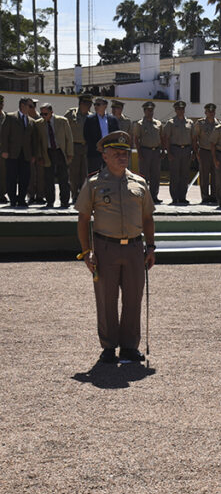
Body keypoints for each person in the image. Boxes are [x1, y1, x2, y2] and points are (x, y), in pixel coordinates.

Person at [75, 131, 156, 364]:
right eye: (117, 153)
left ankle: (129, 347)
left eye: (125, 153)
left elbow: (148, 217)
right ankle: (109, 346)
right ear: (105, 156)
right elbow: (83, 219)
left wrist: (151, 247)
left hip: (134, 248)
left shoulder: (139, 183)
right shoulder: (94, 183)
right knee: (106, 299)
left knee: (133, 299)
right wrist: (86, 252)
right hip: (105, 249)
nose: (122, 157)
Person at [34, 102, 74, 208]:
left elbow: (69, 138)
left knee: (63, 178)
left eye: (45, 114)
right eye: (42, 114)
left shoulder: (62, 121)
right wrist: (39, 156)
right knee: (48, 178)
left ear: (51, 112)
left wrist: (70, 153)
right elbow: (38, 142)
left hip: (60, 151)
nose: (43, 116)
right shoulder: (39, 124)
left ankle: (64, 201)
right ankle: (50, 201)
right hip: (47, 152)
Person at [1, 96, 39, 206]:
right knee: (11, 177)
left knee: (25, 177)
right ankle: (13, 200)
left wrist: (34, 155)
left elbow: (34, 140)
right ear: (22, 105)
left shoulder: (31, 121)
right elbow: (4, 135)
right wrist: (4, 150)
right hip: (12, 153)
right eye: (30, 106)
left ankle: (22, 199)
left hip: (26, 154)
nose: (31, 108)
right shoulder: (10, 117)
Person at [130, 101, 164, 203]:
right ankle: (143, 196)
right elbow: (136, 139)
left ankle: (154, 196)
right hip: (145, 151)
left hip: (156, 151)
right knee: (143, 176)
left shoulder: (158, 123)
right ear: (144, 111)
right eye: (148, 110)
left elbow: (161, 137)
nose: (150, 112)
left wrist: (162, 150)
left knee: (155, 175)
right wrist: (139, 153)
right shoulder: (140, 124)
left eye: (152, 110)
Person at [162, 100, 193, 205]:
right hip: (175, 150)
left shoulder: (190, 122)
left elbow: (193, 138)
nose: (181, 111)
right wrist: (168, 152)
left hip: (186, 150)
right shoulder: (171, 122)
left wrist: (193, 151)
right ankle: (174, 197)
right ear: (175, 110)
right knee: (175, 175)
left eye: (182, 109)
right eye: (178, 109)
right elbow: (166, 138)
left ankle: (182, 197)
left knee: (185, 175)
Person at [84, 98, 120, 174]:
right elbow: (86, 136)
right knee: (94, 175)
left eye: (98, 104)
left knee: (110, 174)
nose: (95, 107)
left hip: (110, 152)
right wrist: (97, 147)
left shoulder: (113, 119)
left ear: (105, 106)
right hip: (95, 153)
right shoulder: (90, 119)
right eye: (95, 104)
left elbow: (116, 135)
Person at [194, 103, 219, 204]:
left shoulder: (219, 124)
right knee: (204, 175)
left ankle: (214, 196)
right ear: (205, 112)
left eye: (213, 111)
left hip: (216, 153)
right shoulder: (200, 123)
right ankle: (205, 196)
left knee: (215, 175)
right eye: (209, 111)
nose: (211, 113)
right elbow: (195, 138)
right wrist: (197, 153)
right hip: (204, 151)